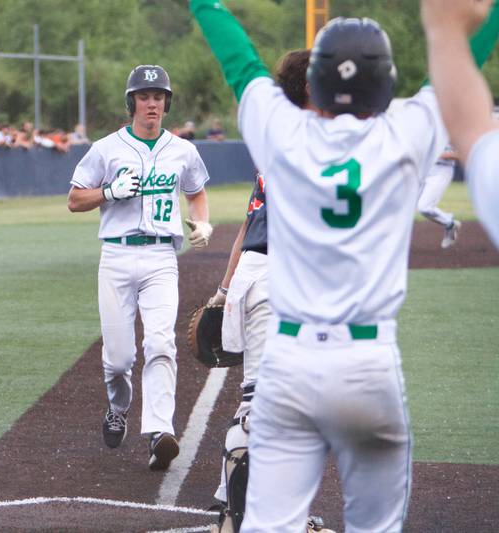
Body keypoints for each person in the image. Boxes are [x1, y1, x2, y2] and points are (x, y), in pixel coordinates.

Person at [191, 0, 499, 530]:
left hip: (290, 362)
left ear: (315, 82)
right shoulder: (407, 132)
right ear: (386, 83)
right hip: (369, 365)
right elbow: (464, 57)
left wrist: (204, 3)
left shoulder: (282, 132)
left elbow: (239, 61)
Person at [206, 49, 330, 533]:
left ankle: (230, 505)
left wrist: (223, 289)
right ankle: (239, 517)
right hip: (278, 279)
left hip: (261, 276)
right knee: (265, 408)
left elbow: (247, 225)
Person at [67, 64, 213, 471]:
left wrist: (201, 221)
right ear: (132, 102)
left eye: (159, 96)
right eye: (145, 96)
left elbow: (196, 193)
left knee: (161, 344)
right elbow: (75, 199)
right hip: (115, 257)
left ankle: (159, 431)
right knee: (117, 360)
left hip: (161, 259)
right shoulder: (106, 148)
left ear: (167, 103)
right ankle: (119, 407)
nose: (152, 103)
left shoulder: (183, 150)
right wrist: (109, 192)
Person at [422, 0, 499, 249]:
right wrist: (447, 30)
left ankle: (450, 223)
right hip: (429, 167)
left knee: (423, 206)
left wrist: (446, 29)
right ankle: (449, 225)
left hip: (440, 168)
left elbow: (465, 133)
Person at [417, 146, 461, 248]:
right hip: (424, 170)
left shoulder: (451, 133)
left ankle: (450, 223)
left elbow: (459, 155)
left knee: (424, 207)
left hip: (442, 170)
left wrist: (434, 154)